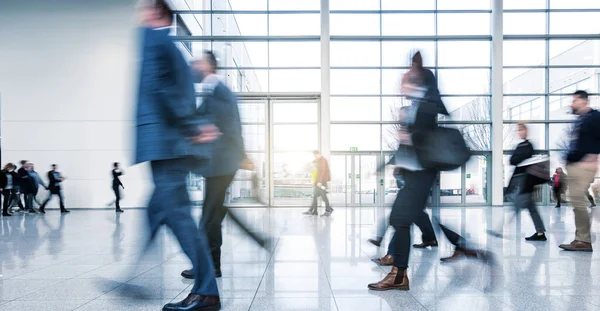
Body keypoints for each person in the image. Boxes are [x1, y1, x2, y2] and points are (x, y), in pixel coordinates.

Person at [368, 51, 491, 291]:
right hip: (417, 174)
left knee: (400, 219)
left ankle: (399, 274)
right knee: (407, 218)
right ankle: (462, 247)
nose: (400, 84)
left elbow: (422, 137)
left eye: (405, 80)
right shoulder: (418, 105)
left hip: (421, 174)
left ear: (417, 83)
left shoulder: (426, 105)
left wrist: (408, 136)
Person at [135, 2, 222, 310]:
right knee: (157, 211)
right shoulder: (169, 46)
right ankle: (137, 276)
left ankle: (207, 291)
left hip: (166, 145)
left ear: (157, 13)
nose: (139, 13)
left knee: (180, 218)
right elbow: (177, 87)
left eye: (144, 7)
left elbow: (162, 91)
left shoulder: (154, 39)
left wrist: (191, 124)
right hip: (169, 145)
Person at [180, 51, 245, 280]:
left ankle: (209, 267)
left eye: (197, 62)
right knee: (211, 216)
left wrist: (240, 155)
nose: (193, 66)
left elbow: (232, 126)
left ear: (208, 65)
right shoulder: (213, 91)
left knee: (209, 217)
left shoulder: (220, 91)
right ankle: (211, 265)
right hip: (219, 164)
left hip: (222, 164)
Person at [489, 123, 546, 241]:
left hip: (526, 182)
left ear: (526, 131)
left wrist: (517, 157)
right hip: (521, 180)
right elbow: (512, 160)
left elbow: (515, 159)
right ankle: (540, 233)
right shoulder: (521, 145)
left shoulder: (528, 146)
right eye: (518, 130)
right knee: (532, 209)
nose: (519, 132)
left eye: (521, 130)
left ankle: (498, 230)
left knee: (516, 207)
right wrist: (517, 158)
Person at [560, 90, 600, 252]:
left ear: (584, 101)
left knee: (578, 202)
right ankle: (580, 239)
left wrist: (592, 155)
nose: (572, 104)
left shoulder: (594, 117)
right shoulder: (582, 120)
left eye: (574, 100)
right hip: (575, 165)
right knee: (577, 203)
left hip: (583, 166)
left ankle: (583, 240)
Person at [303, 150, 333, 217]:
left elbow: (322, 171)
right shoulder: (320, 160)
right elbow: (318, 172)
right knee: (315, 197)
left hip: (321, 182)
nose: (314, 157)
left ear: (318, 154)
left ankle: (328, 210)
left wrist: (320, 181)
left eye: (315, 155)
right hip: (319, 182)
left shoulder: (323, 160)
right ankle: (312, 210)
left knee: (324, 197)